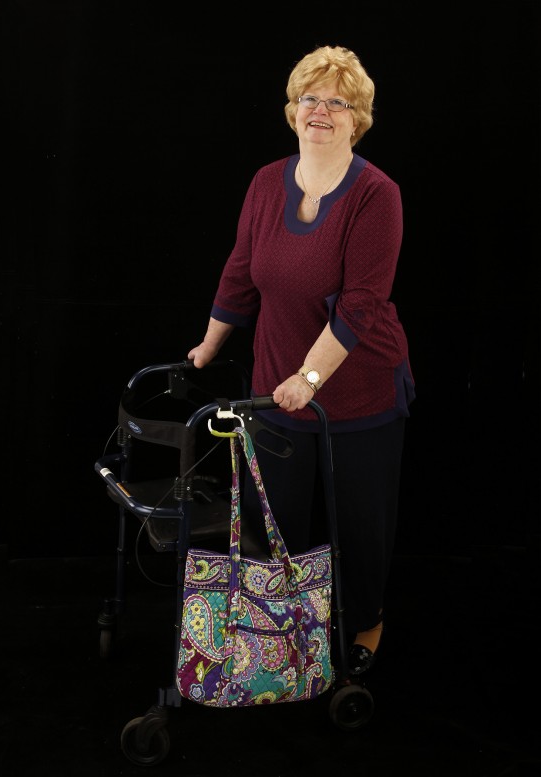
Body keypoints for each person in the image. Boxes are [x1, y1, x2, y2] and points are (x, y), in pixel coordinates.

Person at [187, 44, 415, 676]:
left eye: (337, 102)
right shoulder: (266, 182)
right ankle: (284, 631)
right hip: (275, 390)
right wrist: (208, 348)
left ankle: (365, 620)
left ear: (356, 118)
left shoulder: (377, 195)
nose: (322, 110)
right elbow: (240, 272)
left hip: (359, 388)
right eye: (311, 98)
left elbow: (360, 308)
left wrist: (309, 378)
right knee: (276, 519)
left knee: (359, 525)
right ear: (294, 110)